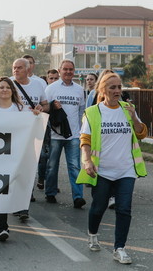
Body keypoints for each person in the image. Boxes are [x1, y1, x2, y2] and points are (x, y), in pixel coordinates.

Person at [77, 73, 147, 264]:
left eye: (119, 87)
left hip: (126, 170)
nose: (117, 91)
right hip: (103, 170)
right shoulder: (92, 112)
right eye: (112, 88)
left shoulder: (128, 109)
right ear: (103, 90)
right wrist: (87, 160)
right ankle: (92, 234)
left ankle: (120, 248)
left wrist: (134, 118)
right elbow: (85, 140)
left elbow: (141, 134)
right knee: (98, 207)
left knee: (124, 209)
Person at [0, 77, 40, 241]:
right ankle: (2, 227)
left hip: (17, 156)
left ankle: (21, 209)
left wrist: (36, 116)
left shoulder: (20, 109)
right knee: (0, 191)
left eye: (8, 87)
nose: (5, 90)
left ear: (12, 90)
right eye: (1, 87)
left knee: (14, 188)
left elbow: (33, 129)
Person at [10, 58, 49, 220]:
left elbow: (46, 105)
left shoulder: (38, 84)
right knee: (15, 169)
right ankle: (15, 201)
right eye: (14, 67)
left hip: (32, 133)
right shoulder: (8, 83)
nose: (16, 70)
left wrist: (41, 108)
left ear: (27, 69)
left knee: (28, 168)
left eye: (19, 68)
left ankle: (23, 204)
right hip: (13, 133)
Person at [44, 60, 86, 208]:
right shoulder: (51, 88)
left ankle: (78, 197)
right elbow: (45, 109)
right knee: (52, 165)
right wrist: (52, 107)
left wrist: (81, 132)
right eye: (65, 69)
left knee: (75, 166)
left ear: (74, 71)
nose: (68, 72)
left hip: (73, 135)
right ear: (60, 71)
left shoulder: (80, 90)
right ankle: (50, 192)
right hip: (56, 134)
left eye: (71, 69)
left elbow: (82, 111)